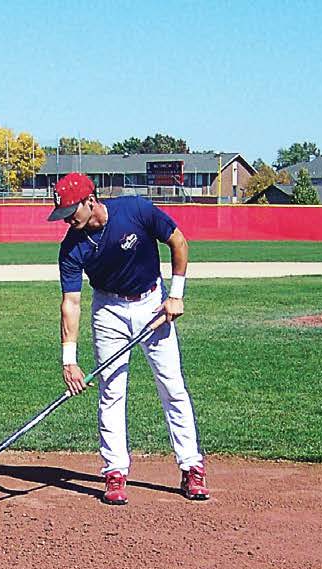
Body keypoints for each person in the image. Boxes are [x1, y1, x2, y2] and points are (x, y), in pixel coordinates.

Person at [47, 172, 208, 506]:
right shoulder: (72, 249)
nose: (67, 221)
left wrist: (175, 295)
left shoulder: (136, 209)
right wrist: (69, 361)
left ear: (90, 200)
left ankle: (192, 466)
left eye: (70, 212)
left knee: (171, 385)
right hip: (109, 310)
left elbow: (178, 241)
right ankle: (115, 472)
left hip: (153, 304)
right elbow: (71, 303)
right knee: (111, 390)